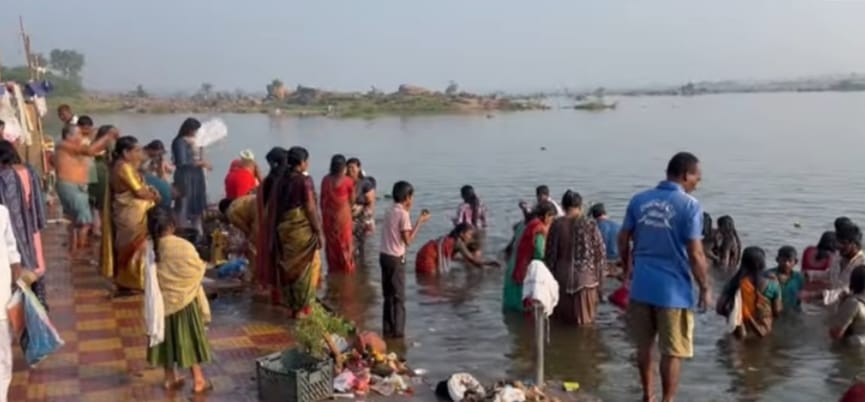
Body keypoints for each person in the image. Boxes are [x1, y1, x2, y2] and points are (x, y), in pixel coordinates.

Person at [618, 152, 709, 402]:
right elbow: (696, 252)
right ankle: (667, 400)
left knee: (644, 346)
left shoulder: (639, 200)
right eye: (696, 178)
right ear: (685, 175)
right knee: (672, 352)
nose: (697, 184)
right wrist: (705, 287)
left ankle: (648, 396)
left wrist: (628, 269)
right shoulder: (690, 206)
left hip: (641, 287)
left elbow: (623, 239)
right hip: (674, 292)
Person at [145, 206, 213, 394]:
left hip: (162, 305)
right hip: (185, 303)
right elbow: (196, 270)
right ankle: (198, 380)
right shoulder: (183, 245)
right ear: (172, 225)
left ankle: (169, 378)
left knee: (166, 343)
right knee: (188, 341)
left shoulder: (151, 247)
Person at [265, 146, 323, 318]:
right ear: (302, 163)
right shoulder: (305, 181)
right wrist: (318, 231)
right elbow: (310, 208)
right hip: (300, 230)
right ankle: (301, 308)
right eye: (307, 160)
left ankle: (293, 306)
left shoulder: (280, 180)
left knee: (288, 267)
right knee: (303, 268)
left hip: (284, 228)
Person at [100, 136, 159, 293]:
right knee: (133, 246)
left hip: (132, 212)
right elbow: (139, 191)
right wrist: (154, 195)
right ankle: (131, 282)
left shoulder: (124, 166)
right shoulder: (123, 167)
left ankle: (129, 280)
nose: (140, 153)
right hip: (131, 215)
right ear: (126, 153)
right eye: (137, 150)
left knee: (132, 246)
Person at [546, 191, 606, 325]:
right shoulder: (589, 224)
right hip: (585, 281)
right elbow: (600, 255)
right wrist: (600, 286)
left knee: (560, 324)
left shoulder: (556, 225)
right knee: (585, 325)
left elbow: (549, 256)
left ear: (562, 206)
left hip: (561, 279)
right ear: (580, 206)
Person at [379, 181, 430, 338]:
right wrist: (419, 223)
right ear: (407, 197)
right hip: (395, 258)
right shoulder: (404, 215)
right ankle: (399, 333)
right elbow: (407, 241)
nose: (412, 200)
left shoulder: (389, 210)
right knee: (399, 298)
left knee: (388, 296)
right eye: (411, 196)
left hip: (384, 255)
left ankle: (387, 329)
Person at [0, 141, 47, 308]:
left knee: (20, 261)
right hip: (31, 222)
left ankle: (26, 303)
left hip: (15, 226)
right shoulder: (28, 171)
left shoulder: (6, 176)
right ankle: (40, 298)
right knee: (36, 261)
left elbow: (10, 207)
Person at [55, 124, 115, 254]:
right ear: (69, 136)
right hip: (71, 186)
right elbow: (90, 151)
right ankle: (81, 252)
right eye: (79, 134)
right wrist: (107, 137)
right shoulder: (65, 145)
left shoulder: (67, 147)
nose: (81, 137)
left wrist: (96, 135)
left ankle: (73, 250)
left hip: (70, 186)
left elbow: (88, 148)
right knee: (85, 223)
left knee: (75, 222)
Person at [718, 247, 782, 338]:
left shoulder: (733, 283)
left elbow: (720, 309)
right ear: (763, 263)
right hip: (762, 331)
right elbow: (777, 311)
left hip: (738, 332)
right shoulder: (772, 284)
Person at [505, 201, 557, 313]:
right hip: (526, 268)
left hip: (518, 264)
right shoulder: (539, 229)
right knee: (528, 301)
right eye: (552, 218)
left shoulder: (532, 224)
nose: (552, 222)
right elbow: (539, 253)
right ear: (547, 215)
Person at [0, 204, 24, 402]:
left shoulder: (2, 213)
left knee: (4, 357)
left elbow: (10, 247)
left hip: (1, 300)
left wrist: (16, 269)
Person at [172, 118, 210, 234]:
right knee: (184, 202)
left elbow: (198, 156)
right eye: (195, 130)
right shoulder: (180, 142)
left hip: (196, 176)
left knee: (197, 202)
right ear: (188, 129)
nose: (196, 132)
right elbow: (181, 162)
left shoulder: (194, 140)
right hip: (185, 177)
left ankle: (197, 231)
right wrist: (200, 163)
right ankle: (182, 230)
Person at [415, 223, 497, 275]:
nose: (470, 237)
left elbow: (450, 256)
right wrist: (489, 263)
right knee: (434, 286)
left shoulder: (448, 238)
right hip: (428, 258)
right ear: (462, 234)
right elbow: (473, 261)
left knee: (426, 282)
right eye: (469, 234)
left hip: (422, 254)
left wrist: (464, 260)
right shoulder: (458, 242)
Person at [320, 154, 355, 273]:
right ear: (344, 168)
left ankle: (333, 271)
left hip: (328, 218)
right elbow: (352, 200)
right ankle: (346, 272)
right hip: (343, 219)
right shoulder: (348, 181)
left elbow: (322, 199)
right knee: (345, 245)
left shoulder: (325, 180)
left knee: (331, 246)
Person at [823, 223, 865, 306]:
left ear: (855, 244)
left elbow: (851, 291)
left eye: (843, 243)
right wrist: (810, 274)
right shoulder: (838, 256)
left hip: (854, 308)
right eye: (837, 242)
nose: (838, 246)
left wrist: (817, 295)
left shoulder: (862, 265)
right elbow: (830, 274)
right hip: (835, 306)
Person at [89, 125, 116, 237]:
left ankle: (96, 227)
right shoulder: (107, 144)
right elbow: (110, 158)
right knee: (102, 202)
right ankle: (100, 228)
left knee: (95, 202)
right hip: (100, 172)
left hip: (93, 171)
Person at [830, 265, 865, 346]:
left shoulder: (853, 303)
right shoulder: (854, 302)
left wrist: (841, 306)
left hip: (855, 349)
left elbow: (835, 334)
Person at [347, 157, 376, 250]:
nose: (350, 170)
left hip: (362, 217)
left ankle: (361, 262)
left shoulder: (364, 183)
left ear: (359, 168)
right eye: (348, 168)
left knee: (360, 242)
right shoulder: (346, 182)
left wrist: (366, 218)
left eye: (352, 167)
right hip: (349, 216)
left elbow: (371, 202)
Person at [767, 245, 805, 312]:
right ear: (777, 260)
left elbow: (799, 297)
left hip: (792, 310)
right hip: (773, 311)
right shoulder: (769, 275)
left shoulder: (799, 278)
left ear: (795, 262)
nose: (786, 264)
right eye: (783, 260)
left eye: (790, 261)